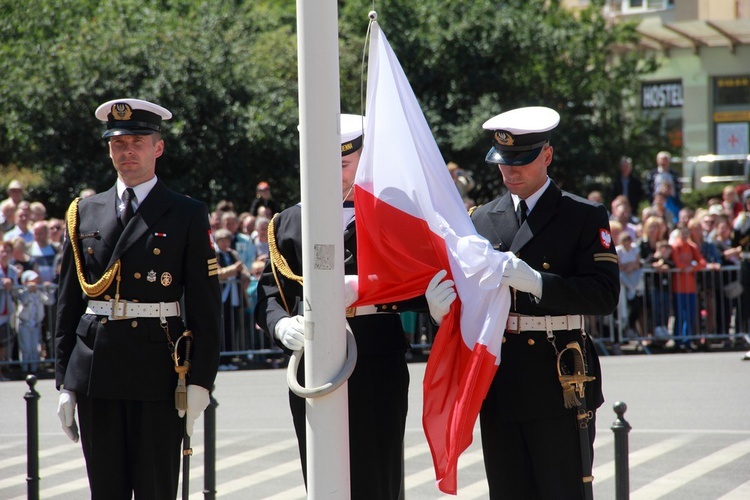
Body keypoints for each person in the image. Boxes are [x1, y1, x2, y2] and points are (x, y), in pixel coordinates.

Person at [255, 114, 443, 499]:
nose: (332, 173)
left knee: (377, 473)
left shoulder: (394, 215)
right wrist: (280, 325)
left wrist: (425, 304)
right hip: (314, 356)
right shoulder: (289, 222)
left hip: (375, 354)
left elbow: (421, 283)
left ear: (364, 158)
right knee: (321, 474)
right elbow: (269, 296)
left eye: (342, 163)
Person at [54, 98, 222, 499]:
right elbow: (67, 303)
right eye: (118, 143)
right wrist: (64, 381)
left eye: (138, 142)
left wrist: (201, 380)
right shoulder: (84, 212)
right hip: (97, 367)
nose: (127, 151)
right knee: (105, 490)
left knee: (155, 488)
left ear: (157, 147)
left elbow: (205, 305)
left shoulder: (186, 212)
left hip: (158, 368)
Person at [468, 106, 619, 498]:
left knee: (561, 489)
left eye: (522, 160)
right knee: (508, 489)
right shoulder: (481, 219)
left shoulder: (582, 215)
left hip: (559, 373)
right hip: (500, 376)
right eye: (503, 162)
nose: (510, 171)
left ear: (547, 155)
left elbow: (604, 293)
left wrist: (538, 282)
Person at [670, 226, 706, 350]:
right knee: (680, 315)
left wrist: (692, 267)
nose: (685, 236)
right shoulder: (675, 246)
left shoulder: (692, 247)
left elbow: (702, 262)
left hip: (690, 287)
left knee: (690, 315)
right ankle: (678, 341)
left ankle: (687, 340)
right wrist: (689, 265)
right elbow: (678, 264)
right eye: (683, 233)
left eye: (687, 233)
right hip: (678, 287)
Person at [15, 269, 53, 374]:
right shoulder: (21, 291)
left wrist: (47, 289)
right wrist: (28, 290)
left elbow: (50, 301)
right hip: (24, 323)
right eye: (32, 280)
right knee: (26, 348)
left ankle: (34, 369)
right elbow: (24, 300)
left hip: (36, 324)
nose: (35, 283)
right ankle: (25, 369)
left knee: (34, 348)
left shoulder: (38, 292)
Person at [0, 240, 19, 381]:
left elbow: (16, 290)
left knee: (4, 342)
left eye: (8, 251)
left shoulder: (12, 270)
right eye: (2, 251)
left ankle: (2, 370)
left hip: (7, 310)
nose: (5, 254)